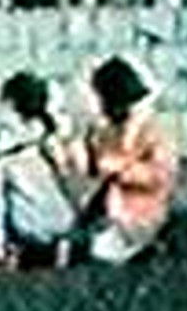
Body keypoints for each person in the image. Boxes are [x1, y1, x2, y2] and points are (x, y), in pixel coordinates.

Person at [71, 56, 179, 265]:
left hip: (139, 208)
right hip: (109, 211)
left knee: (101, 251)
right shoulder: (103, 132)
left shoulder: (152, 129)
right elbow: (91, 173)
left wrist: (122, 169)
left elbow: (160, 175)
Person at [0, 72, 81, 269]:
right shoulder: (49, 137)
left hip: (29, 225)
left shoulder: (6, 139)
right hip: (64, 220)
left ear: (10, 104)